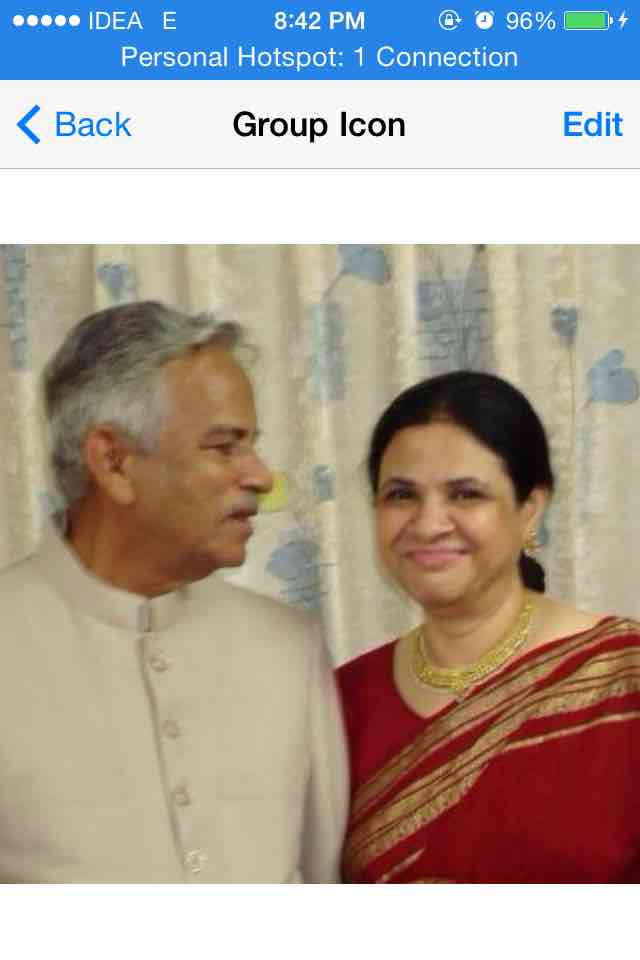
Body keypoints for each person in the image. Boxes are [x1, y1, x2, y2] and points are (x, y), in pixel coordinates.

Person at [0, 301, 348, 882]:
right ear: (113, 461)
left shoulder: (288, 648)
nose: (261, 477)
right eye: (224, 446)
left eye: (250, 445)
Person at [338, 371, 640, 883]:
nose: (428, 524)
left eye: (465, 494)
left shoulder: (623, 679)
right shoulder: (344, 702)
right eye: (401, 495)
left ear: (530, 509)